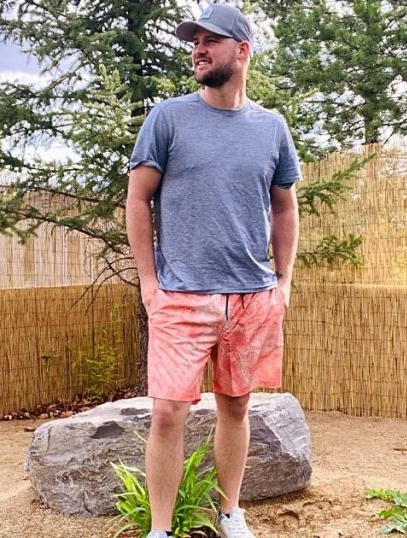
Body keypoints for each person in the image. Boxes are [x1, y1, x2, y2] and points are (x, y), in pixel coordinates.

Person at [125, 4, 301, 537]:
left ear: (242, 51)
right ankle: (160, 530)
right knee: (166, 415)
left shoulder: (271, 128)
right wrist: (150, 284)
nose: (198, 49)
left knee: (236, 407)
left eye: (211, 40)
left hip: (251, 295)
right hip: (181, 295)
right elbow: (137, 199)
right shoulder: (169, 118)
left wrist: (284, 281)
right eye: (194, 41)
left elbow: (286, 206)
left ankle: (230, 514)